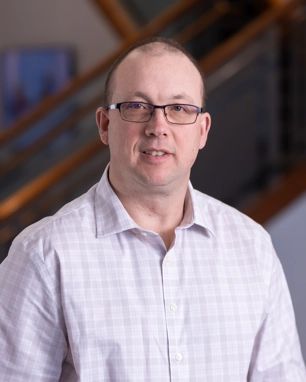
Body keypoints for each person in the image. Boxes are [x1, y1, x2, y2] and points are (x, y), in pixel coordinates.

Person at [0, 37, 305, 382]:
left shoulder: (253, 248)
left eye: (179, 108)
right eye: (136, 106)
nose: (158, 127)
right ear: (104, 125)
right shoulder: (42, 255)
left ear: (202, 130)